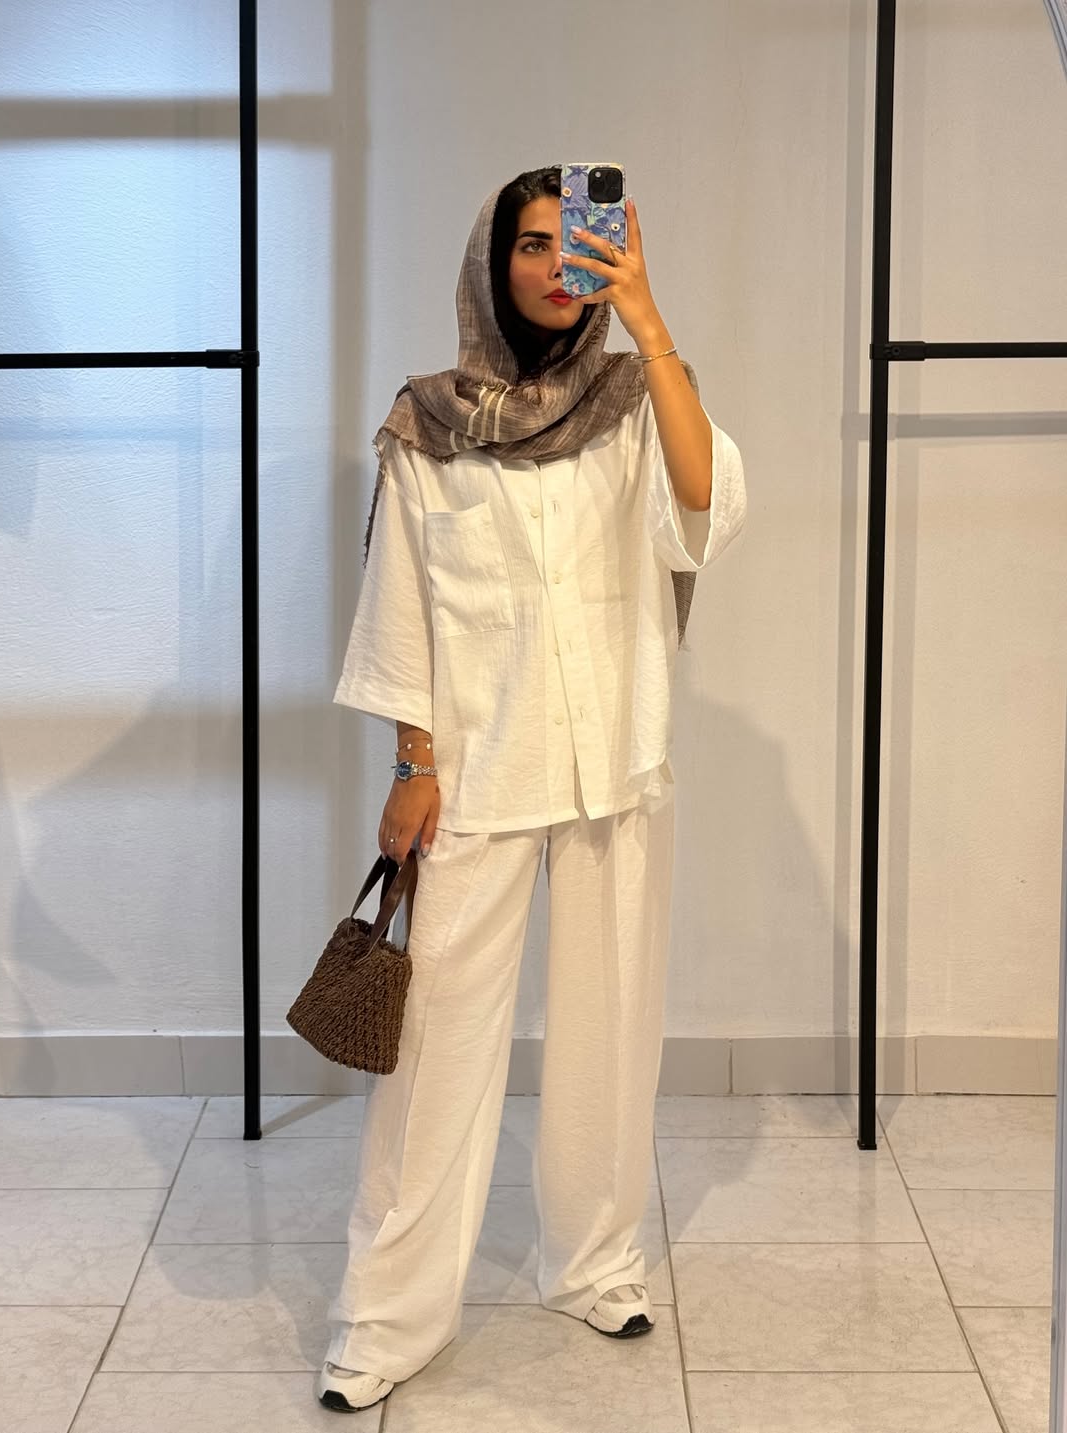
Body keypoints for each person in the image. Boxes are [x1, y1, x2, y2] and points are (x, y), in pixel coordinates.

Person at [317, 165, 746, 1413]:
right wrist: (413, 762)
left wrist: (648, 316)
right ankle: (387, 1316)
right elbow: (403, 598)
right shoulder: (426, 421)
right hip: (478, 767)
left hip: (616, 755)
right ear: (490, 262)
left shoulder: (636, 399)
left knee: (612, 1028)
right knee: (434, 1048)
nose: (560, 266)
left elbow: (705, 502)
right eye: (533, 244)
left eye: (579, 244)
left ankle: (594, 1261)